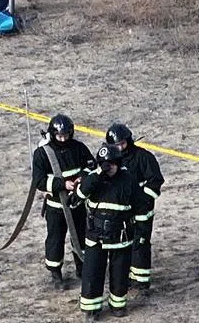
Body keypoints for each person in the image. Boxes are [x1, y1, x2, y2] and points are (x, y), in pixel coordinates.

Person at [77, 144, 150, 320]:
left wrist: (141, 235)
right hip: (96, 236)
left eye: (111, 164)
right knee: (92, 273)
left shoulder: (128, 180)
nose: (108, 168)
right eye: (104, 164)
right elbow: (81, 193)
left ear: (118, 162)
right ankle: (91, 309)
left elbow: (141, 208)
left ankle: (118, 305)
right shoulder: (93, 179)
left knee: (119, 272)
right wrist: (98, 173)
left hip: (120, 236)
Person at [32, 113, 93, 290]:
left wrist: (81, 180)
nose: (63, 139)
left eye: (66, 135)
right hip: (56, 206)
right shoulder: (43, 154)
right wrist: (62, 184)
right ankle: (55, 272)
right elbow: (39, 180)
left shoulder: (79, 148)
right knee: (55, 239)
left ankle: (82, 267)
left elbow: (90, 167)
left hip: (77, 203)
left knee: (81, 237)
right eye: (59, 136)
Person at [105, 123, 163, 292]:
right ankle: (127, 277)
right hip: (122, 212)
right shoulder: (111, 161)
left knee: (141, 243)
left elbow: (155, 182)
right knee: (124, 244)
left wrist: (141, 201)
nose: (120, 148)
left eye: (122, 143)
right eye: (116, 145)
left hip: (141, 212)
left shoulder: (143, 157)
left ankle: (142, 281)